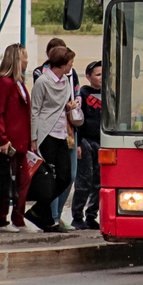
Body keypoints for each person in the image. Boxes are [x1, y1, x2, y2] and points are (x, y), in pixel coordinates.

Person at [29, 46, 80, 232]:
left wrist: (69, 107)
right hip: (47, 134)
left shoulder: (67, 81)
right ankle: (48, 218)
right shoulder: (42, 82)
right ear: (62, 64)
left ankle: (38, 210)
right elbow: (35, 110)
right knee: (48, 178)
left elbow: (61, 107)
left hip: (62, 134)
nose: (72, 66)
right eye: (70, 63)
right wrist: (33, 138)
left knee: (66, 176)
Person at [0, 44, 31, 232]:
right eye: (24, 58)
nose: (27, 61)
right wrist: (3, 138)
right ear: (16, 60)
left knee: (22, 179)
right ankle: (3, 219)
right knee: (5, 179)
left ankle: (18, 217)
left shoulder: (18, 82)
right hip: (9, 141)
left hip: (21, 139)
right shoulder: (4, 83)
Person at [70, 61, 103, 229]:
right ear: (89, 77)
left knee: (99, 181)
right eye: (98, 75)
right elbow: (78, 119)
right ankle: (77, 216)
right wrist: (78, 143)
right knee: (84, 179)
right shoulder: (83, 93)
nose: (101, 78)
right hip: (85, 141)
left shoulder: (109, 94)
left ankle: (92, 215)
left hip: (102, 142)